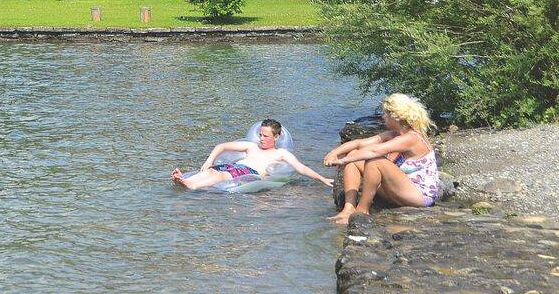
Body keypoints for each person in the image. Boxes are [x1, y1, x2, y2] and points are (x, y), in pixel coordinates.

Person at [325, 93, 441, 224]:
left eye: (386, 113)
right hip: (400, 190)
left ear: (396, 116)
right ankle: (348, 209)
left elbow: (375, 150)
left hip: (419, 196)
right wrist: (334, 153)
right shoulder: (393, 134)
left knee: (376, 161)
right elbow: (359, 143)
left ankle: (362, 210)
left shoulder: (412, 138)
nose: (383, 116)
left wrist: (341, 161)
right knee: (354, 157)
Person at [171, 119, 334, 190]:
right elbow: (221, 146)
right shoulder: (251, 146)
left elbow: (301, 168)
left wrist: (322, 179)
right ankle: (185, 180)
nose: (262, 139)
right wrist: (209, 160)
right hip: (235, 166)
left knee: (220, 176)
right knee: (212, 171)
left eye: (266, 136)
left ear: (276, 137)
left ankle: (191, 185)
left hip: (250, 173)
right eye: (261, 135)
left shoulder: (281, 153)